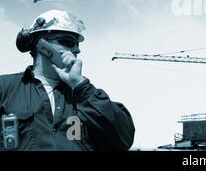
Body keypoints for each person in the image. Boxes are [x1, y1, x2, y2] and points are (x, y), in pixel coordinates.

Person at [0, 10, 135, 150]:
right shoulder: (5, 88)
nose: (77, 49)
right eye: (68, 41)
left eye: (77, 44)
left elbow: (124, 139)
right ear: (42, 45)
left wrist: (81, 86)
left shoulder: (85, 96)